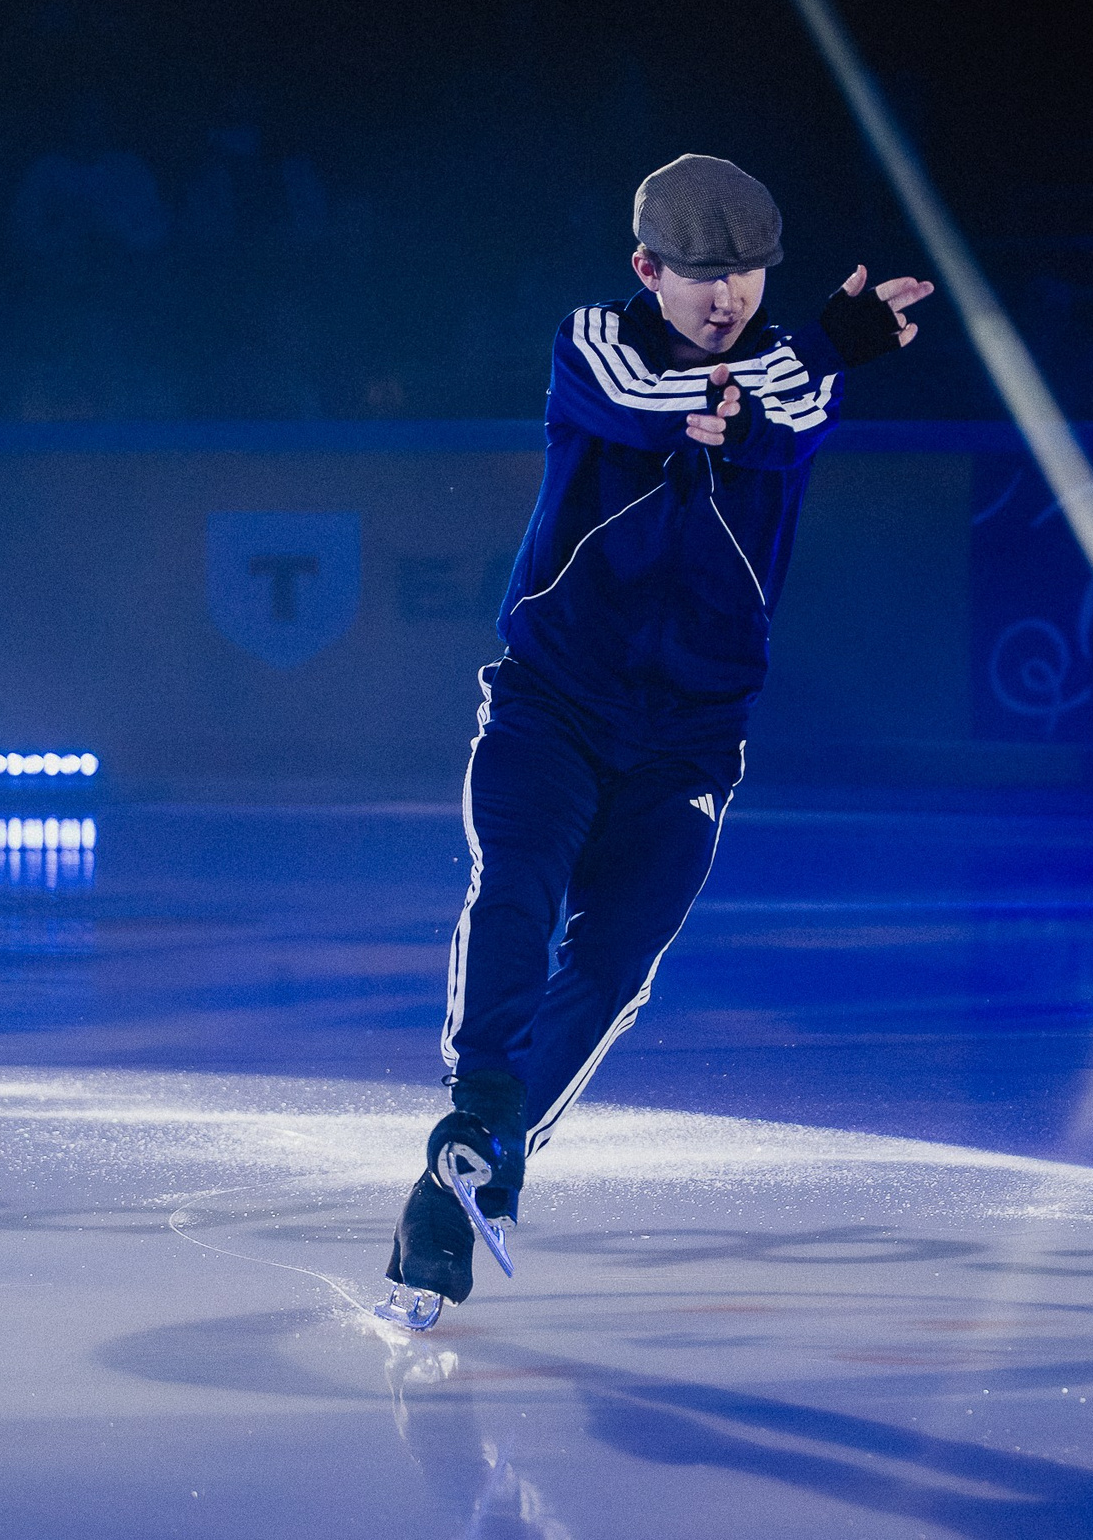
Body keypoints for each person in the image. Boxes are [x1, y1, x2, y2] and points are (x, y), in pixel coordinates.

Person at [376, 153, 934, 1330]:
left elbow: (772, 422)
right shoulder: (596, 342)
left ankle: (481, 1163)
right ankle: (475, 1110)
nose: (724, 296)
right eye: (699, 274)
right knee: (517, 887)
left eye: (743, 274)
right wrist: (827, 342)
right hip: (552, 699)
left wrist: (813, 361)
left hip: (692, 735)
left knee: (619, 963)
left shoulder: (799, 382)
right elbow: (652, 400)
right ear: (648, 269)